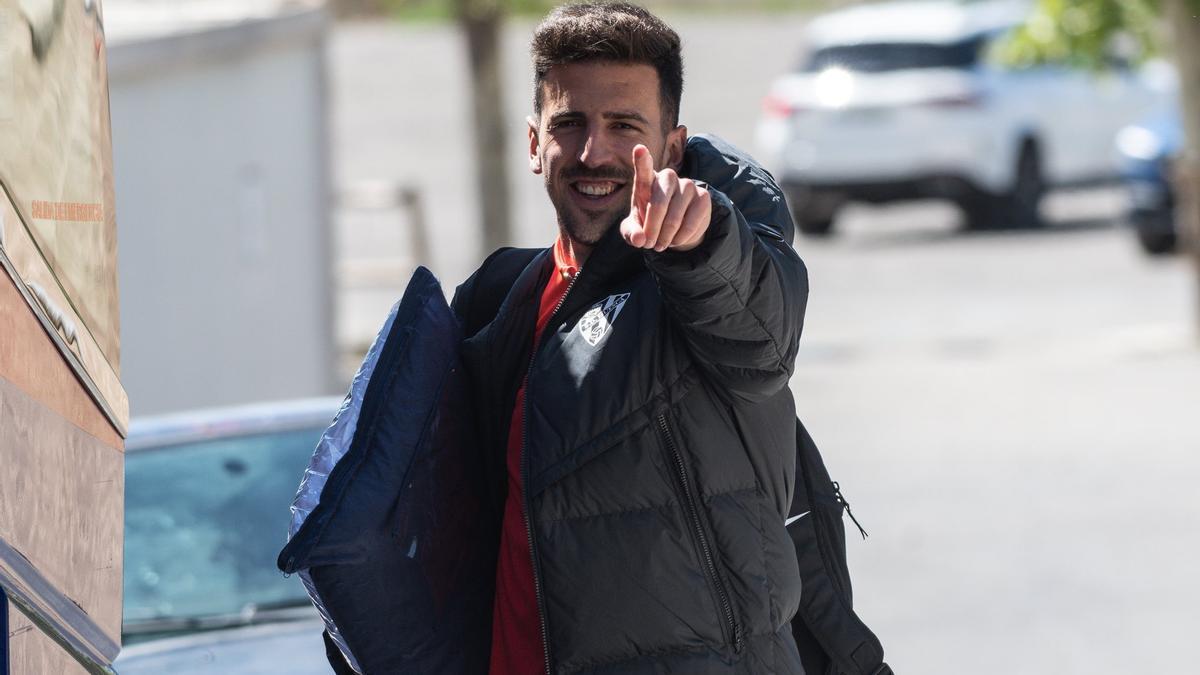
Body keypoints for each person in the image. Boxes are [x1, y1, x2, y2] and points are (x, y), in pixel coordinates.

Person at [446, 3, 811, 673]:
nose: (594, 152)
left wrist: (705, 241)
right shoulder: (496, 299)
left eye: (624, 126)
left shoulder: (697, 275)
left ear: (673, 147)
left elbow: (759, 330)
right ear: (533, 144)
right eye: (569, 124)